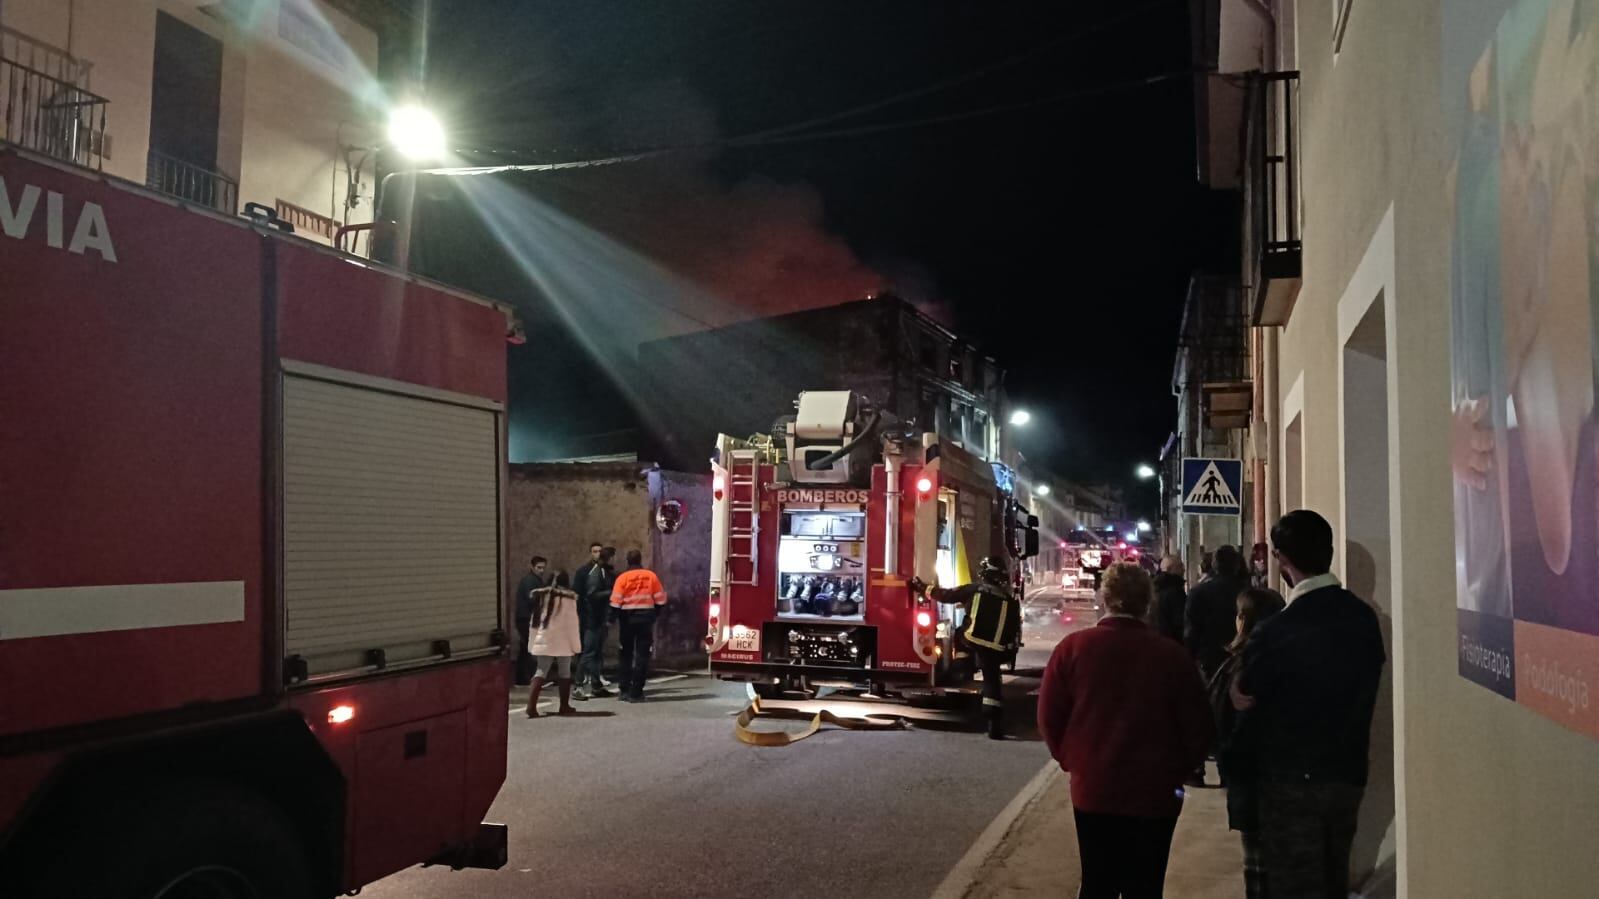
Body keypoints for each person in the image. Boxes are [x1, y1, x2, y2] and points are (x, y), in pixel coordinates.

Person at [1231, 510, 1386, 899]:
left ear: (1283, 560)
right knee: (1334, 881)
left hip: (1288, 782)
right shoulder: (1365, 621)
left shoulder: (1276, 631)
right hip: (1347, 774)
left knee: (1294, 886)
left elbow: (1252, 710)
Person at [1038, 562, 1213, 899]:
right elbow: (1198, 726)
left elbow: (1049, 717)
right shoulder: (1171, 656)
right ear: (1147, 602)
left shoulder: (1073, 649)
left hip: (1094, 787)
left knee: (1097, 882)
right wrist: (1176, 770)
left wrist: (1074, 761)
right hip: (1155, 793)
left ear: (1105, 597)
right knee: (1146, 886)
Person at [1210, 586, 1286, 899]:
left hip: (1252, 779)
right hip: (1272, 778)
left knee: (1258, 868)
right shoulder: (1276, 660)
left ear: (1245, 619)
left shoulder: (1243, 665)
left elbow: (1224, 725)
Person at [910, 557, 1022, 740]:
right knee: (992, 681)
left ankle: (961, 664)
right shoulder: (1009, 601)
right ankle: (994, 724)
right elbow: (1013, 628)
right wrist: (1008, 650)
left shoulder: (975, 589)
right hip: (997, 648)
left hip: (973, 640)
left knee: (958, 634)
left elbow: (947, 596)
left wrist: (924, 588)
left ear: (985, 574)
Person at [609, 549, 668, 702]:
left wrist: (611, 620)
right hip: (645, 621)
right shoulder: (651, 576)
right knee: (642, 656)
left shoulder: (622, 578)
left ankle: (624, 690)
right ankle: (636, 692)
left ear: (628, 561)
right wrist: (654, 615)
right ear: (640, 560)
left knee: (625, 655)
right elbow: (660, 600)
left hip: (627, 621)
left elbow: (615, 603)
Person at [1184, 544, 1249, 682]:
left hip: (1209, 658)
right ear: (1237, 565)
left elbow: (1192, 631)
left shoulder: (1198, 593)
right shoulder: (1248, 593)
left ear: (1214, 565)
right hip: (1242, 660)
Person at [524, 572, 581, 718]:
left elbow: (534, 623)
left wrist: (532, 644)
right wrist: (576, 646)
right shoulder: (569, 599)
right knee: (565, 672)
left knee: (541, 671)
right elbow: (572, 625)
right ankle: (564, 706)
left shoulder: (541, 597)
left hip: (544, 641)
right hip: (564, 642)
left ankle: (531, 706)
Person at [571, 544, 617, 699]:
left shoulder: (603, 571)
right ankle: (578, 686)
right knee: (589, 653)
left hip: (598, 618)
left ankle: (596, 685)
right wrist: (611, 593)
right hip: (592, 619)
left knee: (596, 653)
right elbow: (591, 594)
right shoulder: (594, 572)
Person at [512, 556, 548, 686]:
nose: (541, 570)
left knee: (525, 648)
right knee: (530, 648)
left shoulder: (534, 580)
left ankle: (522, 678)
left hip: (525, 617)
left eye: (543, 568)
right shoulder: (530, 581)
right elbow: (532, 599)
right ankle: (531, 677)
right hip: (526, 618)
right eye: (539, 567)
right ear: (532, 567)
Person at [1151, 555, 1187, 643]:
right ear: (1169, 569)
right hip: (1173, 643)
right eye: (1180, 566)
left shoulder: (1154, 589)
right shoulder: (1175, 592)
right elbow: (1180, 622)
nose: (1183, 570)